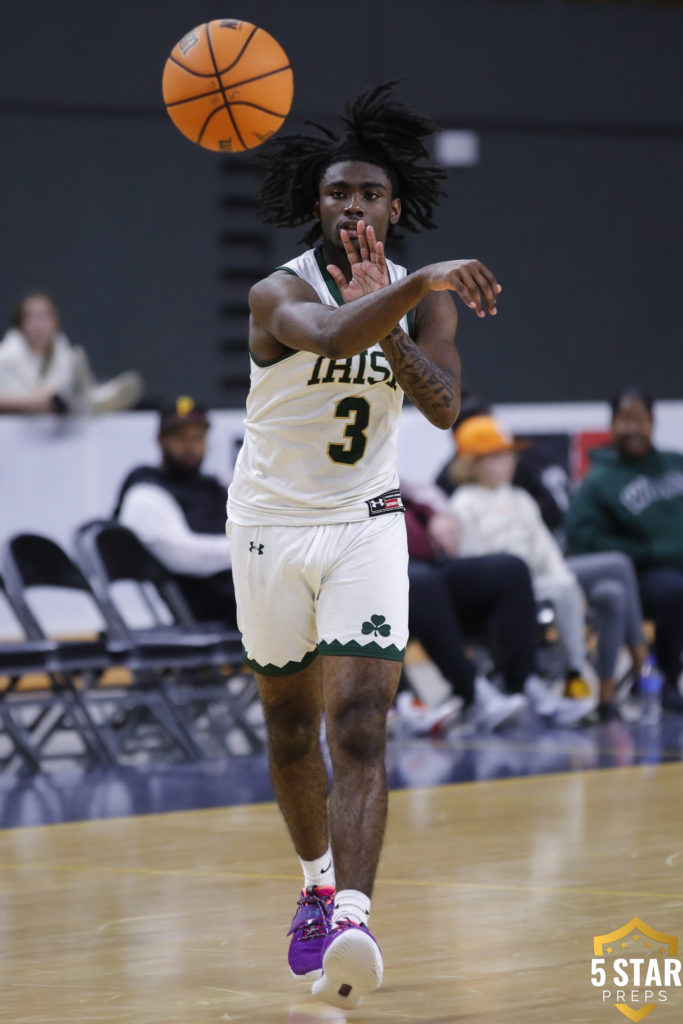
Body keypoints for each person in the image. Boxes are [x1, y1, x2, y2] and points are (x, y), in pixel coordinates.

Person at [226, 83, 502, 1010]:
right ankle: (313, 887)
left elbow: (442, 407)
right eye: (337, 192)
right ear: (317, 205)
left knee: (356, 723)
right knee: (288, 726)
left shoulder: (425, 305)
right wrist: (404, 291)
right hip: (269, 525)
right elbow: (329, 332)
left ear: (395, 207)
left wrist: (401, 305)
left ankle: (352, 916)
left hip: (364, 521)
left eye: (370, 194)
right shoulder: (277, 292)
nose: (353, 206)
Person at [448, 414, 596, 723]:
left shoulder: (522, 498)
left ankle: (574, 672)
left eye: (509, 455)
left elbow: (547, 552)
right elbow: (473, 562)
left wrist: (569, 585)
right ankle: (536, 682)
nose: (509, 462)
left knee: (567, 586)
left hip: (538, 584)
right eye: (496, 456)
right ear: (472, 464)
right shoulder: (463, 504)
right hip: (499, 593)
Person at [566, 389, 683, 712]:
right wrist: (645, 550)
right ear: (612, 424)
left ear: (653, 423)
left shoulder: (676, 463)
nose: (632, 428)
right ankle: (666, 681)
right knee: (674, 592)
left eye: (640, 420)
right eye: (624, 420)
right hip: (640, 573)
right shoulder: (598, 480)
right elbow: (581, 538)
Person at [396, 490, 532, 735]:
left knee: (511, 568)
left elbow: (415, 495)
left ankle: (522, 685)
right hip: (380, 573)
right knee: (422, 583)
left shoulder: (385, 473)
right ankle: (473, 693)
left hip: (429, 562)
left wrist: (434, 515)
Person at [115, 397, 236, 628]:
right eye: (181, 438)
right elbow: (182, 556)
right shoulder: (146, 492)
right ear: (161, 441)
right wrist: (252, 549)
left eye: (197, 438)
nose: (190, 447)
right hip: (207, 610)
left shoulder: (213, 488)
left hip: (245, 598)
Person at [0, 292, 142, 414]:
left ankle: (94, 399)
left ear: (55, 321)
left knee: (77, 363)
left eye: (43, 317)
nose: (38, 326)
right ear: (20, 324)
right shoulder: (6, 355)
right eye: (31, 318)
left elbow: (57, 396)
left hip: (61, 418)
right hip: (17, 427)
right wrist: (39, 401)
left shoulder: (62, 352)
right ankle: (95, 400)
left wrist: (51, 399)